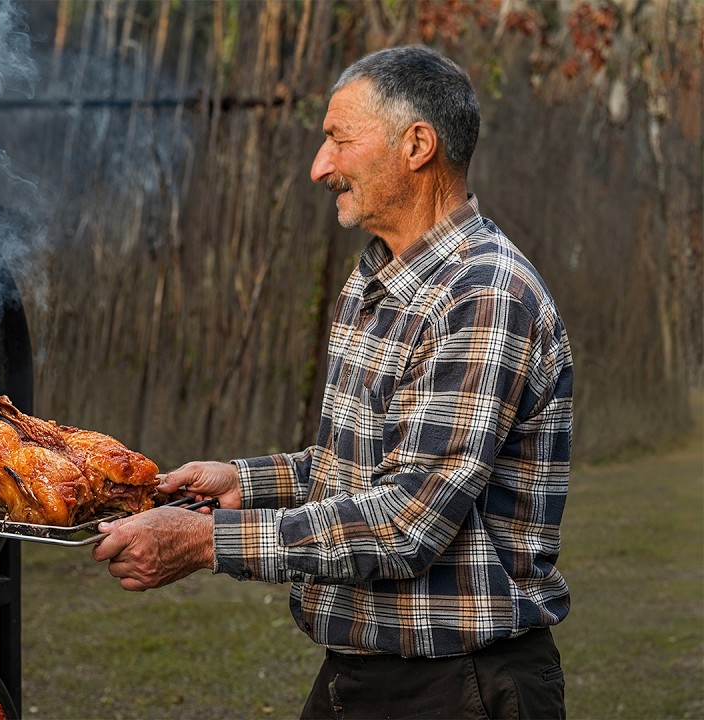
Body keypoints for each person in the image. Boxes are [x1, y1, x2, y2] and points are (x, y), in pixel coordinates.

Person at [93, 45, 572, 719]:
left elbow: (408, 520)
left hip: (460, 686)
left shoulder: (482, 296)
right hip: (360, 677)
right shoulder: (377, 279)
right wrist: (243, 480)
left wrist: (205, 543)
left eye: (338, 140)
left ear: (417, 145)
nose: (320, 167)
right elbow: (361, 467)